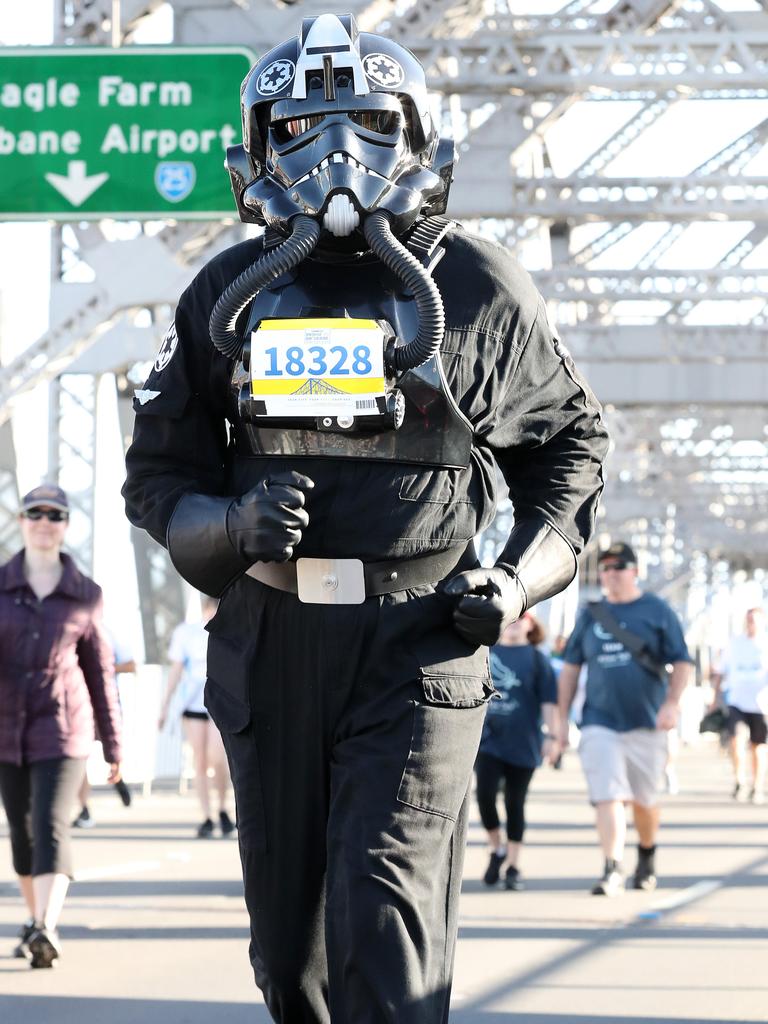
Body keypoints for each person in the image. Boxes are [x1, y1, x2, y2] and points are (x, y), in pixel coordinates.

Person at [122, 14, 608, 1022]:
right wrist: (229, 521)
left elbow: (570, 449)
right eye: (301, 127)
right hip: (269, 645)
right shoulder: (225, 292)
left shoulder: (477, 287)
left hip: (418, 647)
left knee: (381, 939)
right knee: (288, 961)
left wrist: (514, 579)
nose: (335, 154)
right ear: (257, 147)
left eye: (364, 123)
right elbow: (157, 474)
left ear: (418, 137)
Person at [0, 484, 122, 968]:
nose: (45, 523)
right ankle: (35, 922)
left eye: (55, 515)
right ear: (22, 520)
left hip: (64, 729)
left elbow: (100, 672)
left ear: (66, 526)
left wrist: (113, 745)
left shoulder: (86, 596)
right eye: (36, 514)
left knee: (52, 824)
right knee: (22, 832)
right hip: (6, 729)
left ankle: (47, 924)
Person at [557, 542, 693, 897]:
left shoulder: (657, 610)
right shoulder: (590, 615)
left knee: (644, 801)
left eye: (619, 568)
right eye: (605, 568)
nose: (611, 574)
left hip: (647, 722)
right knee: (608, 795)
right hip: (599, 721)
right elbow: (570, 669)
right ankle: (612, 867)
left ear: (634, 572)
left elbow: (681, 661)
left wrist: (672, 704)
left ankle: (646, 854)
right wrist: (560, 720)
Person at [476, 613, 560, 892]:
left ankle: (512, 864)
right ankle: (496, 848)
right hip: (488, 741)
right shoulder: (485, 652)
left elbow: (549, 703)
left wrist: (553, 736)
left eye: (521, 617)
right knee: (485, 796)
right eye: (511, 616)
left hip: (524, 742)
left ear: (531, 625)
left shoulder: (537, 659)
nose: (515, 621)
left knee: (515, 802)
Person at [158, 594, 235, 837]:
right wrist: (165, 705)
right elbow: (176, 670)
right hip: (192, 703)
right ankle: (206, 815)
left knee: (217, 757)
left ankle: (223, 807)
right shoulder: (186, 632)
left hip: (219, 702)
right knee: (199, 760)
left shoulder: (229, 629)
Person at [72, 632, 136, 828]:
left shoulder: (107, 633)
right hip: (78, 706)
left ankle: (118, 778)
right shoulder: (65, 627)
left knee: (110, 753)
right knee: (80, 756)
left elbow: (131, 666)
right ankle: (84, 809)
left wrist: (99, 666)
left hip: (105, 703)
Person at [711, 608, 768, 804]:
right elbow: (720, 671)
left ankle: (757, 786)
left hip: (761, 705)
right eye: (749, 619)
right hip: (736, 701)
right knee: (735, 741)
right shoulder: (734, 644)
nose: (751, 623)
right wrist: (714, 698)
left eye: (755, 620)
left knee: (758, 747)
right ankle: (739, 781)